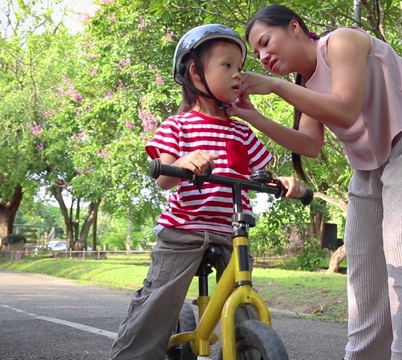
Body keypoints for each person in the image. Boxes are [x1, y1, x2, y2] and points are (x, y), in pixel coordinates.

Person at [228, 4, 402, 360]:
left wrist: (273, 86)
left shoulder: (342, 42)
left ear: (295, 27)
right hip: (370, 160)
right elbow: (309, 145)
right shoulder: (303, 84)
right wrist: (252, 116)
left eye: (266, 42)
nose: (263, 56)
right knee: (362, 261)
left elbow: (345, 108)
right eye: (256, 53)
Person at [109, 23, 306, 360]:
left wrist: (286, 183)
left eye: (240, 68)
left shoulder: (242, 132)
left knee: (243, 302)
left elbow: (262, 176)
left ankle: (249, 344)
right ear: (195, 73)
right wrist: (183, 162)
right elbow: (164, 178)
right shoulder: (179, 125)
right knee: (160, 300)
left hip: (231, 232)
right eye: (226, 65)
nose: (237, 75)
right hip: (184, 228)